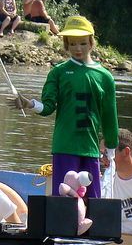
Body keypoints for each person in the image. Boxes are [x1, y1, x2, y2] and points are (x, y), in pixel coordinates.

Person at [12, 15, 118, 197]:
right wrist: (30, 104)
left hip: (90, 149)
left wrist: (111, 149)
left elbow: (110, 116)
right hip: (64, 147)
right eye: (73, 44)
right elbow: (48, 107)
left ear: (91, 43)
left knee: (92, 201)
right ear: (66, 44)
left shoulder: (105, 76)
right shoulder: (58, 73)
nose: (78, 48)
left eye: (83, 43)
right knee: (63, 200)